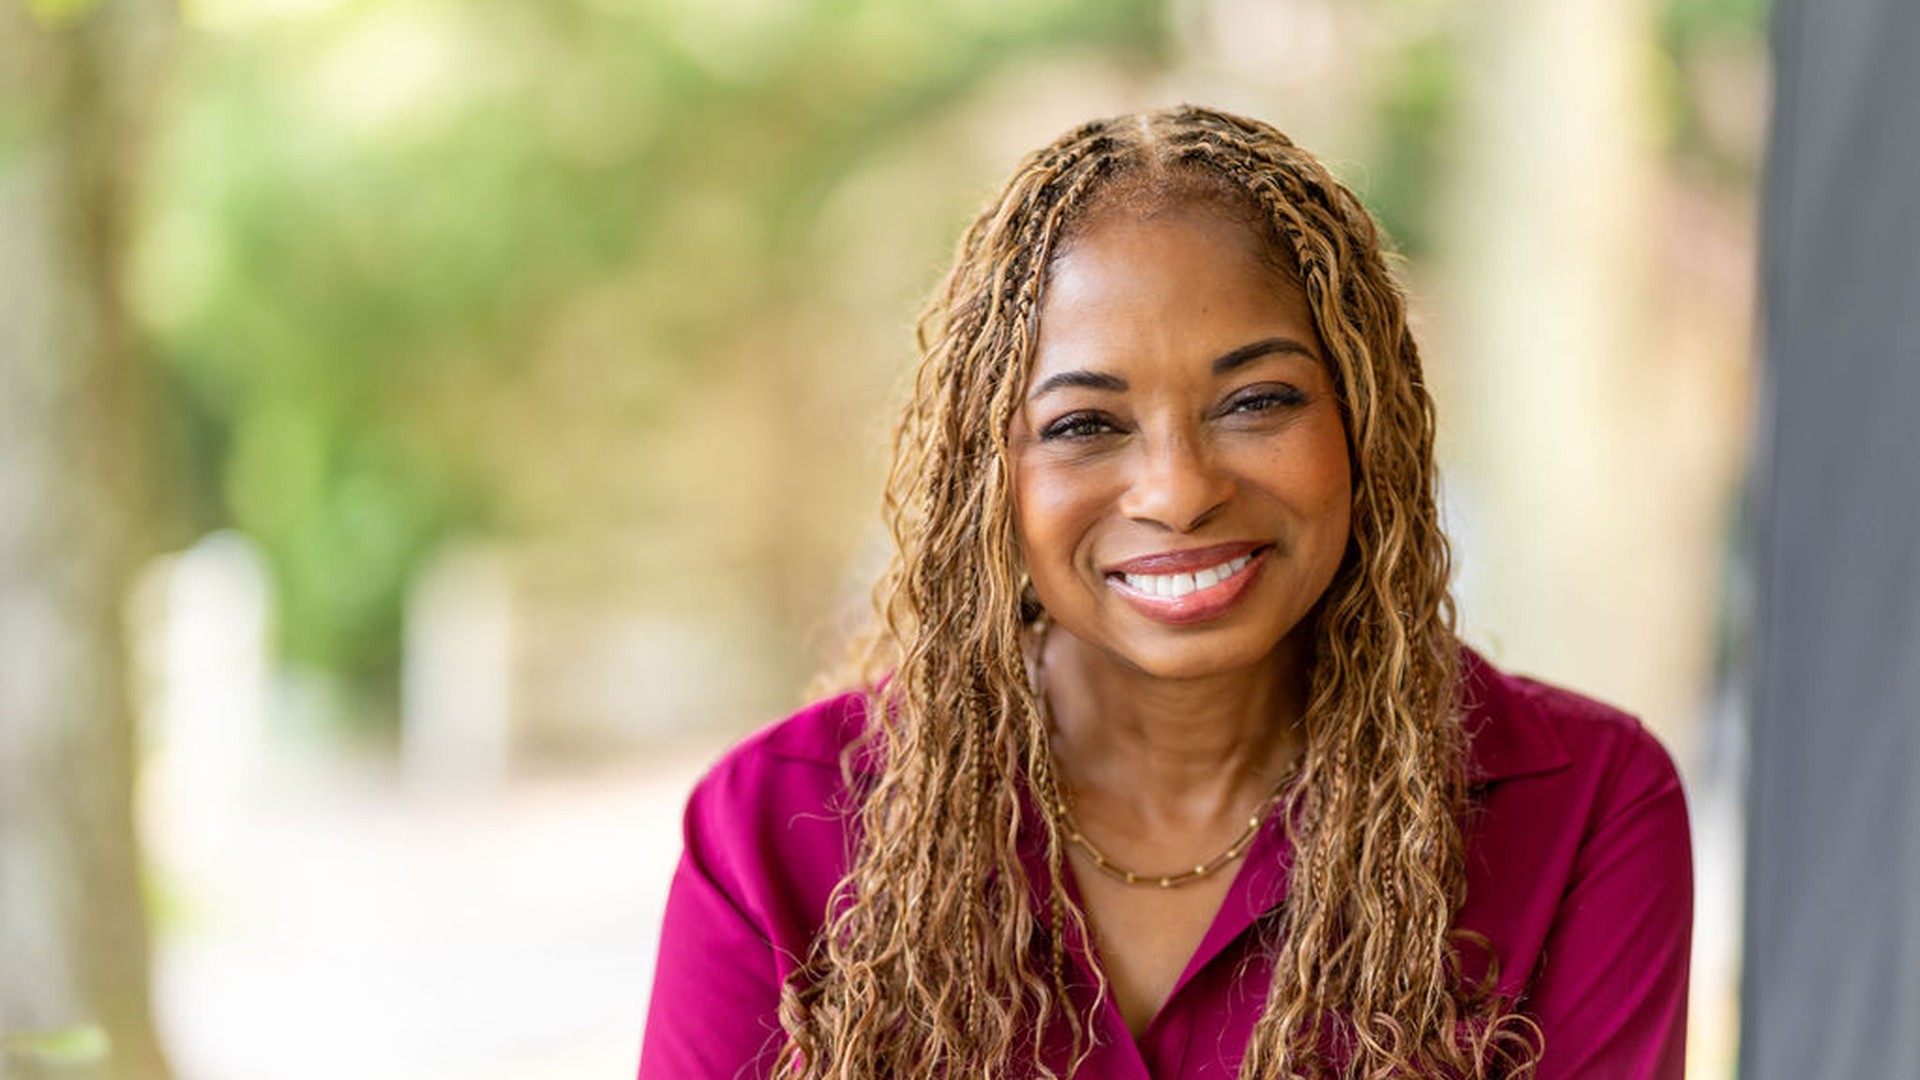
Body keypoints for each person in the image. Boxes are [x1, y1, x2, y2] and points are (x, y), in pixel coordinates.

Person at [637, 106, 1692, 1080]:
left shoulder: (1588, 810)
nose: (1180, 491)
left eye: (1258, 400)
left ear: (1368, 425)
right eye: (1086, 425)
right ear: (987, 478)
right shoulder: (771, 836)